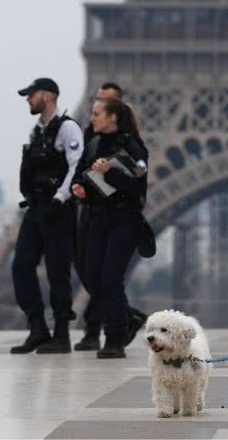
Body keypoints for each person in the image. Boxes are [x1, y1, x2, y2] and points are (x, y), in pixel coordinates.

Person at [10, 78, 84, 354]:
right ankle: (38, 327)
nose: (28, 99)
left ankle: (62, 334)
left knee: (57, 271)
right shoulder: (38, 131)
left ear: (49, 95)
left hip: (58, 209)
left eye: (32, 94)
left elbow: (77, 167)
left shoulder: (68, 128)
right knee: (21, 265)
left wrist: (60, 198)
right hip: (36, 207)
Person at [71, 97, 149, 359]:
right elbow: (84, 175)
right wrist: (81, 189)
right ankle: (128, 317)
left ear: (112, 117)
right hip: (98, 218)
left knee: (110, 279)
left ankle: (114, 338)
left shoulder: (132, 145)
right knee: (92, 276)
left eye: (97, 114)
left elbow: (138, 186)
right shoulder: (93, 143)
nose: (92, 118)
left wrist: (109, 173)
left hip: (123, 220)